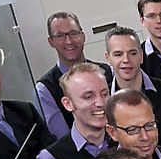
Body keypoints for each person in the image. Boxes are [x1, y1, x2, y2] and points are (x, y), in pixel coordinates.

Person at [104, 26, 161, 149]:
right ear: (108, 58)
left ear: (141, 56)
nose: (126, 60)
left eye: (132, 53)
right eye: (118, 54)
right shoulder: (102, 102)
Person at [37, 11, 114, 139]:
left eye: (73, 33)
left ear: (83, 36)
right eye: (60, 36)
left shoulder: (107, 71)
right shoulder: (45, 89)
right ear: (51, 41)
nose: (68, 41)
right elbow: (62, 138)